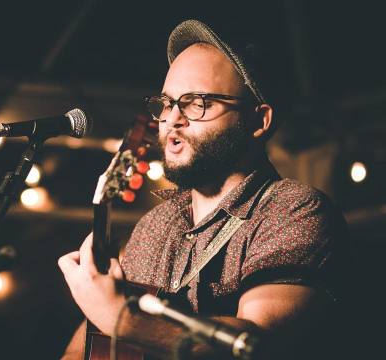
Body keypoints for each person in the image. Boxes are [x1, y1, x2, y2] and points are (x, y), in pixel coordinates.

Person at [58, 19, 348, 359]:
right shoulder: (154, 226)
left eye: (198, 102)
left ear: (258, 121)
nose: (172, 120)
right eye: (167, 103)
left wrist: (122, 318)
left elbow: (257, 343)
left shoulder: (295, 210)